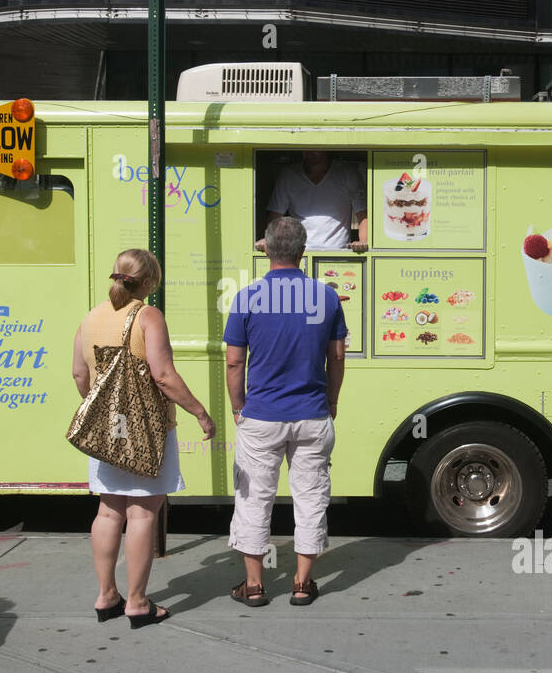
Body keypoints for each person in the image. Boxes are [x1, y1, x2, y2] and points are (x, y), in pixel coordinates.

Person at [72, 248, 215, 628]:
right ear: (150, 282)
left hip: (106, 429)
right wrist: (200, 411)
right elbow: (163, 375)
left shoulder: (90, 318)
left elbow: (79, 374)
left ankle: (106, 596)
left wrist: (100, 409)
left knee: (107, 510)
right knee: (141, 513)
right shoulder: (148, 316)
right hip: (148, 430)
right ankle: (136, 602)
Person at [224, 216, 347, 607]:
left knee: (253, 499)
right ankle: (301, 583)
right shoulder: (325, 297)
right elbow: (337, 355)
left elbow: (233, 363)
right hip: (312, 414)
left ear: (266, 248)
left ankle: (255, 586)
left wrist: (238, 405)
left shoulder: (246, 298)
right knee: (310, 498)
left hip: (261, 416)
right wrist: (331, 401)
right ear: (303, 251)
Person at [258, 150, 368, 253]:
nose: (310, 150)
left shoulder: (347, 173)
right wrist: (269, 239)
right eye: (305, 146)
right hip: (298, 253)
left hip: (338, 252)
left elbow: (363, 214)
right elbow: (276, 216)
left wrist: (364, 241)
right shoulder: (288, 175)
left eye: (316, 145)